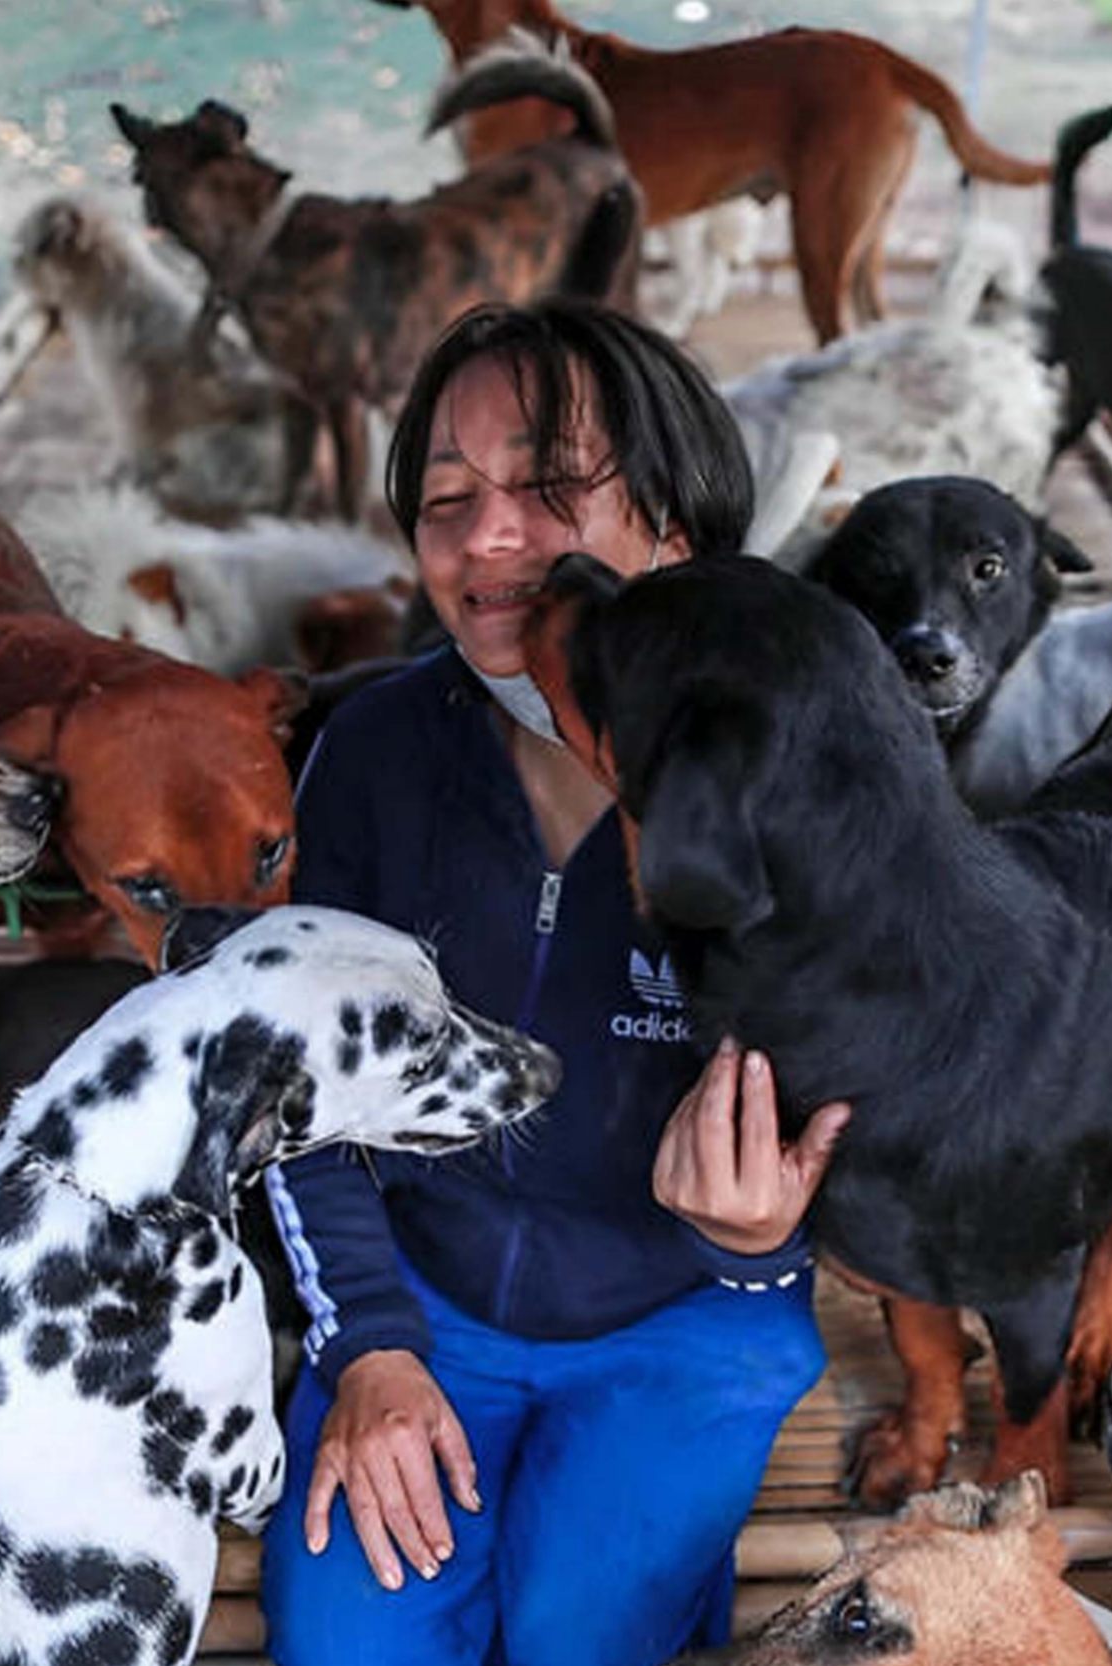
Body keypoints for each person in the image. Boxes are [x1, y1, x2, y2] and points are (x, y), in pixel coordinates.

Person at [260, 298, 849, 1666]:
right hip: (424, 1302)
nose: (485, 540)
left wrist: (756, 1246)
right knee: (356, 1650)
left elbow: (901, 1105)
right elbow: (293, 1083)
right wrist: (367, 1344)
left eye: (545, 487)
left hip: (690, 1325)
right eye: (446, 501)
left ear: (676, 526)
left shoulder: (800, 775)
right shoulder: (373, 751)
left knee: (580, 1639)